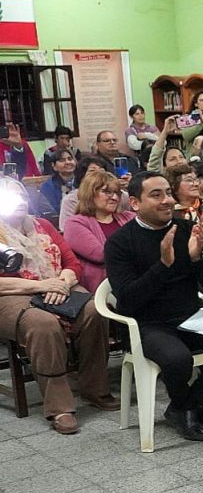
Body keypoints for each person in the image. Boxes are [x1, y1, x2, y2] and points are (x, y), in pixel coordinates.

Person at [105, 171, 203, 441]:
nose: (167, 200)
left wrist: (196, 257)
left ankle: (187, 405)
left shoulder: (186, 229)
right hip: (148, 324)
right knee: (179, 359)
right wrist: (163, 266)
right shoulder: (119, 243)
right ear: (134, 203)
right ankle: (190, 407)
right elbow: (128, 300)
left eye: (168, 193)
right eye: (156, 195)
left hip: (190, 316)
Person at [0, 177, 116, 434]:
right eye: (8, 197)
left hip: (57, 285)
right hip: (12, 294)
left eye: (20, 195)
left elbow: (72, 263)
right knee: (43, 324)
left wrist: (62, 282)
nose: (17, 202)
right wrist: (42, 286)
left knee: (95, 310)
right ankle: (59, 406)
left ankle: (94, 388)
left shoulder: (42, 225)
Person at [62, 169, 135, 291]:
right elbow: (102, 255)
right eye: (107, 192)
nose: (115, 197)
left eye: (117, 193)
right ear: (90, 193)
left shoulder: (129, 217)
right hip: (102, 288)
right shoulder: (75, 224)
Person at [58, 156, 117, 230]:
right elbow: (66, 230)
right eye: (92, 172)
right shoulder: (71, 200)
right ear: (82, 177)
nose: (98, 175)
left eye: (102, 171)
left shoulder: (119, 195)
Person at [38, 148, 77, 216]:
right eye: (62, 160)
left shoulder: (84, 181)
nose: (68, 162)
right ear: (54, 166)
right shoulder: (48, 187)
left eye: (70, 159)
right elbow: (52, 212)